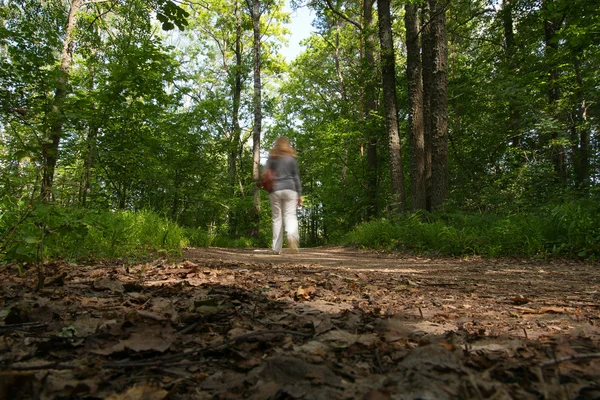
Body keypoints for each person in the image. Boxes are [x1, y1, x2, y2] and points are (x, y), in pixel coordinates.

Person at [266, 137, 302, 255]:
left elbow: (265, 173)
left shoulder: (272, 158)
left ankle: (276, 248)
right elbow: (296, 177)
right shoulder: (291, 158)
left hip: (275, 190)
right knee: (290, 216)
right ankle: (291, 236)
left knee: (277, 219)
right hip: (290, 189)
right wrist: (299, 194)